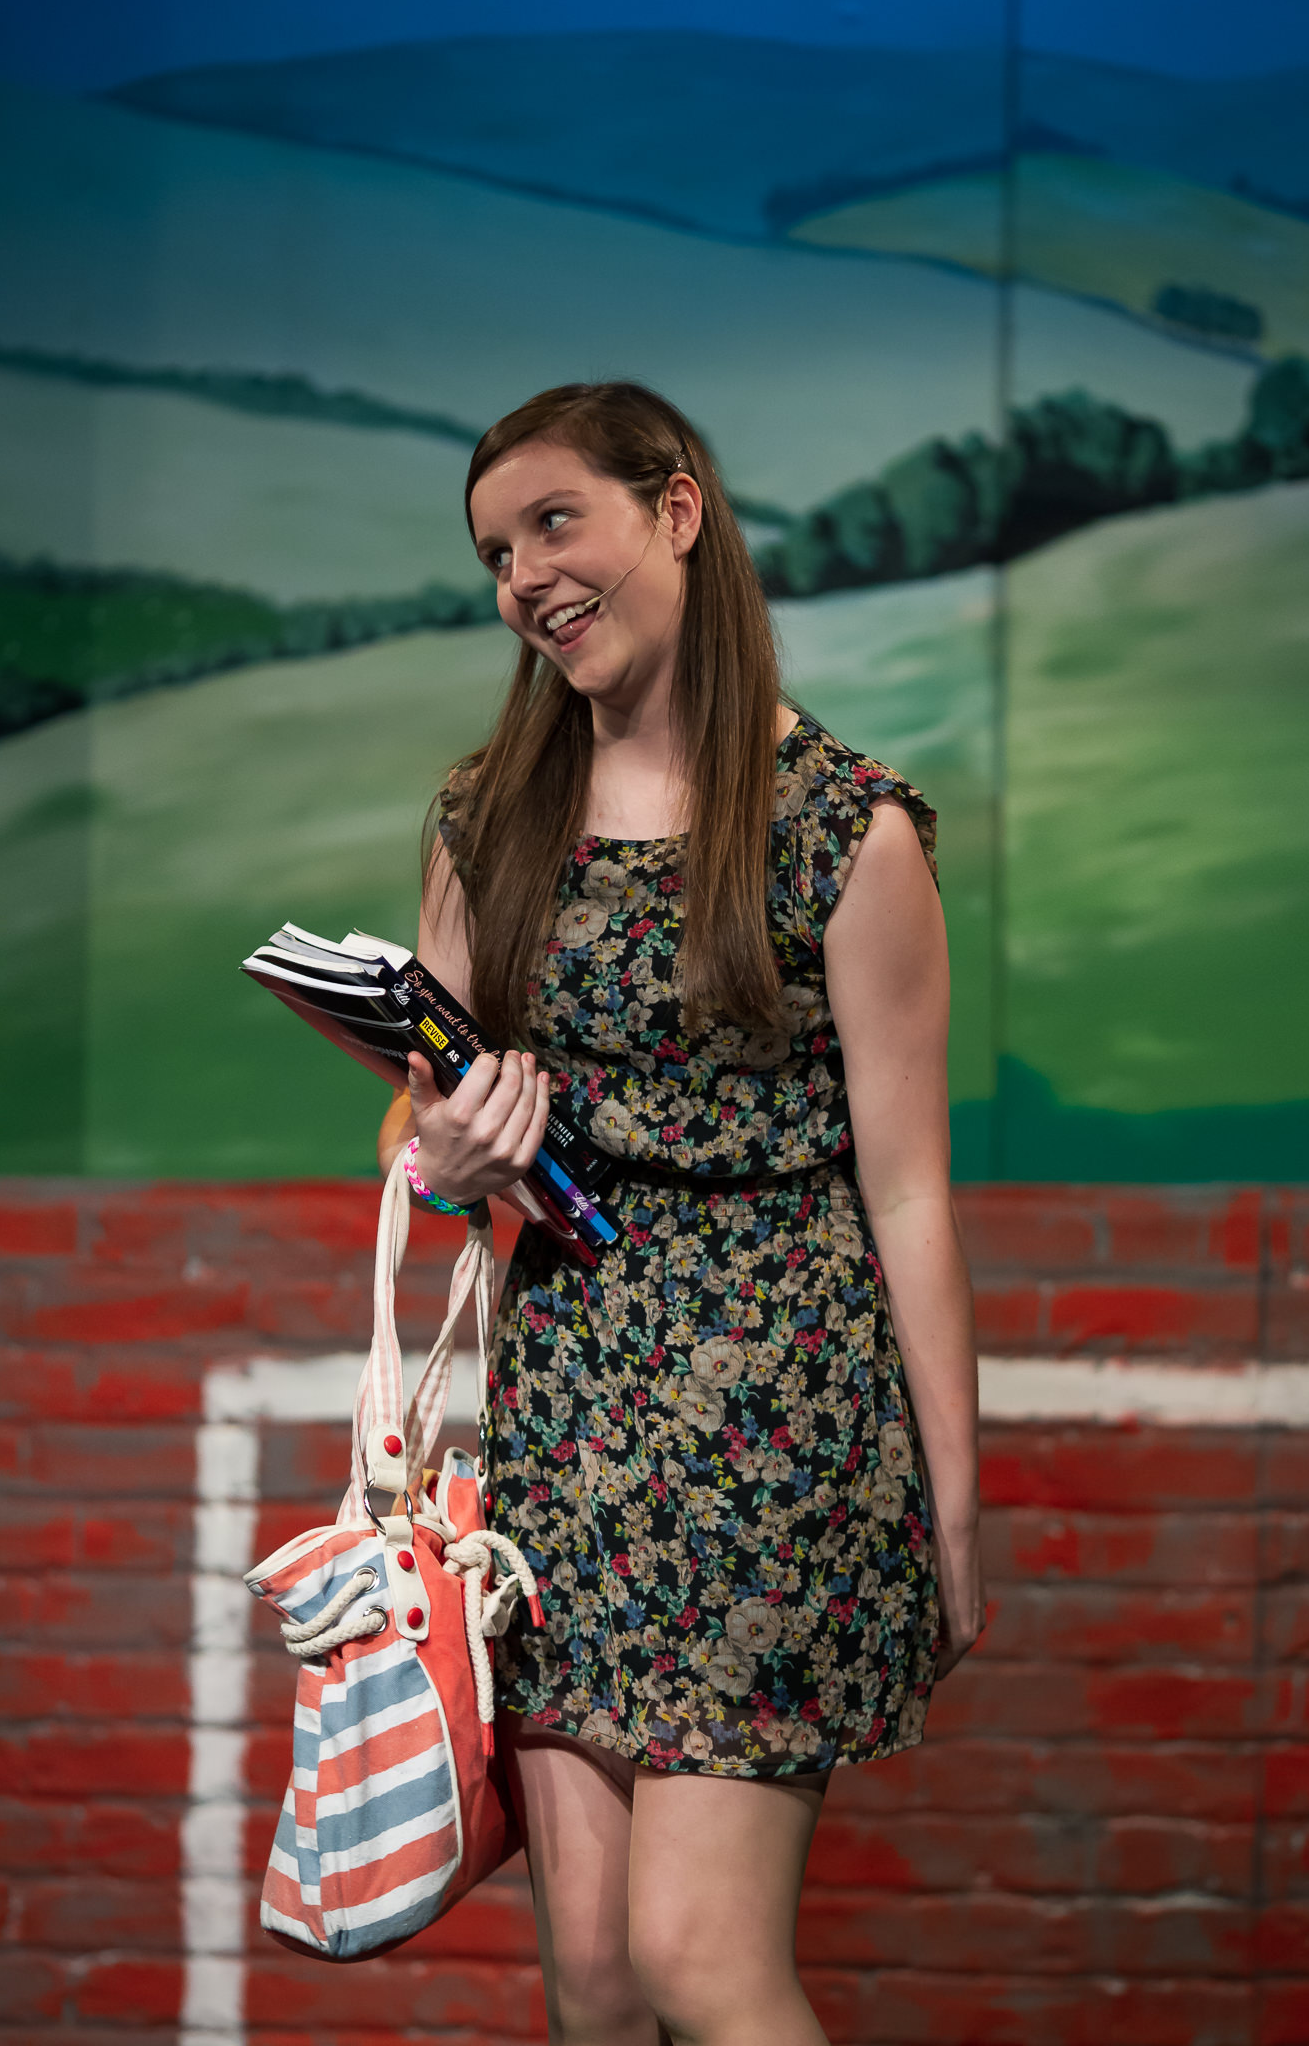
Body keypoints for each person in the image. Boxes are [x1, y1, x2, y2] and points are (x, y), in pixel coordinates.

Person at [377, 382, 985, 2046]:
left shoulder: (842, 828)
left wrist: (950, 1510)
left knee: (698, 1964)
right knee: (591, 1984)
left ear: (677, 511)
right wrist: (451, 1155)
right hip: (566, 1416)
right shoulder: (485, 814)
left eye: (553, 521)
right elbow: (415, 1128)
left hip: (781, 1424)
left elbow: (908, 1190)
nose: (524, 575)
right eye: (495, 553)